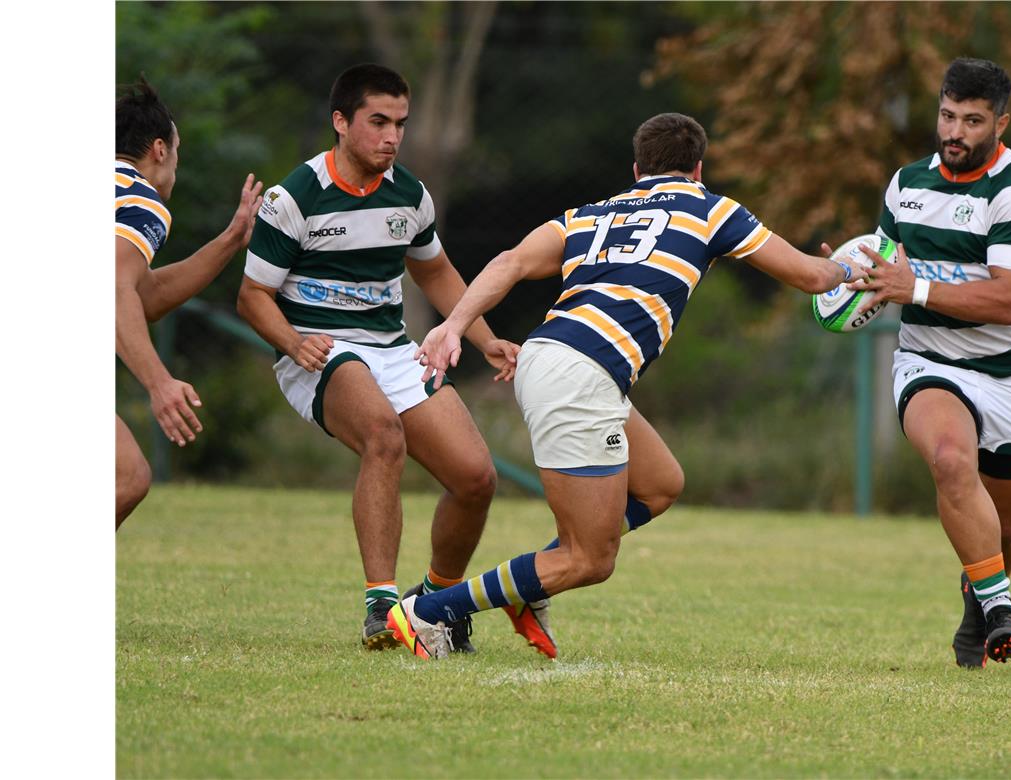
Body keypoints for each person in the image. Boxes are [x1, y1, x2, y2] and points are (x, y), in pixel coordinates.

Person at [387, 112, 865, 660]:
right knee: (590, 559)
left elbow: (510, 262)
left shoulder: (589, 215)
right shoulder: (710, 208)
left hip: (559, 358)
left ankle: (530, 585)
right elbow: (810, 275)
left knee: (661, 484)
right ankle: (430, 609)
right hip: (579, 373)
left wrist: (452, 325)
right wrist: (852, 272)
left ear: (637, 169)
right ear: (698, 168)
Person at [237, 64, 521, 652]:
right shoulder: (295, 198)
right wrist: (293, 342)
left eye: (400, 124)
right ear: (340, 122)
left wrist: (482, 335)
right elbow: (252, 296)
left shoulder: (409, 195)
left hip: (390, 348)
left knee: (476, 478)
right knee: (383, 435)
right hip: (315, 351)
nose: (392, 137)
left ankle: (436, 604)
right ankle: (381, 607)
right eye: (378, 122)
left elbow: (434, 270)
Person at [852, 57, 1011, 666]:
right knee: (948, 458)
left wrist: (912, 289)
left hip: (1010, 375)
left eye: (971, 120)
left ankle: (979, 601)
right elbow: (888, 268)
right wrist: (845, 277)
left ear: (1000, 123)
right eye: (946, 115)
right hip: (928, 361)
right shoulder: (906, 184)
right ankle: (1002, 610)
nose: (954, 132)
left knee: (1007, 522)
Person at [116, 77, 264, 529]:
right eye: (177, 153)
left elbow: (144, 297)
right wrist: (159, 384)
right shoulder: (139, 199)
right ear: (159, 150)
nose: (176, 168)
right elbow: (112, 292)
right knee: (125, 478)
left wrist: (231, 239)